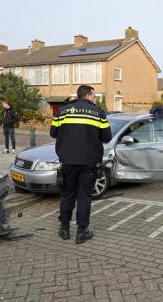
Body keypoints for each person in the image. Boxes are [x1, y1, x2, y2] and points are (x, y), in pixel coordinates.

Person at [50, 85, 112, 244]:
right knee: (84, 196)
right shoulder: (98, 113)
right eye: (95, 96)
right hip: (88, 162)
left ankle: (64, 228)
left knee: (67, 194)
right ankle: (82, 231)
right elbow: (107, 137)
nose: (95, 99)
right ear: (89, 96)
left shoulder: (63, 111)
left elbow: (53, 133)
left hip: (68, 161)